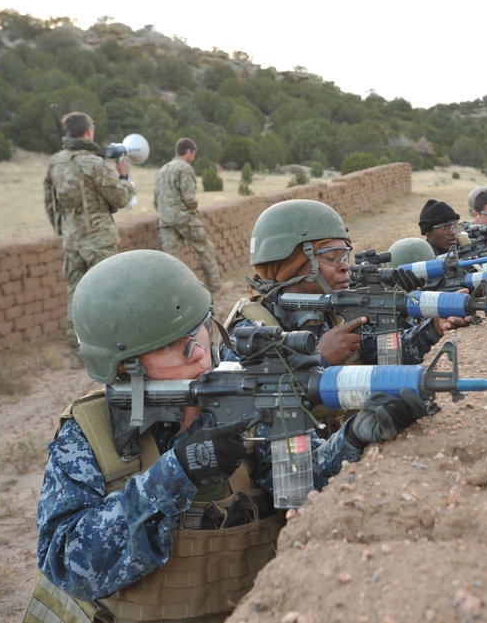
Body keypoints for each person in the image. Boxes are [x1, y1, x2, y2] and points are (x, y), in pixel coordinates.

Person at [24, 249, 429, 623]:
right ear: (127, 367)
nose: (199, 353)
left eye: (200, 332)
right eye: (173, 348)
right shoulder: (92, 434)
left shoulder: (236, 393)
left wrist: (355, 437)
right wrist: (177, 472)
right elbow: (66, 564)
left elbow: (304, 485)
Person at [222, 199, 468, 370]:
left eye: (345, 257)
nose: (344, 267)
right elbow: (250, 408)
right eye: (331, 258)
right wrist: (321, 359)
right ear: (290, 265)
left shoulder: (332, 311)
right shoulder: (250, 332)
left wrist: (434, 326)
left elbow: (379, 352)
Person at [43, 111, 136, 359]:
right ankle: (117, 349)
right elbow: (119, 197)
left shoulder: (55, 163)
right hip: (98, 240)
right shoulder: (93, 163)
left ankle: (76, 351)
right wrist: (124, 176)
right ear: (87, 132)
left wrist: (64, 232)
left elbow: (50, 204)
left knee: (75, 293)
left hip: (71, 240)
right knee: (109, 291)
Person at [154, 138, 228, 293]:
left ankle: (172, 292)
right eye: (194, 153)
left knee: (170, 260)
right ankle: (215, 286)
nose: (194, 156)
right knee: (205, 249)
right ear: (187, 151)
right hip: (185, 219)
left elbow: (156, 199)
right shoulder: (185, 168)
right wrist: (193, 207)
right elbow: (189, 198)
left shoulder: (162, 169)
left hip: (166, 221)